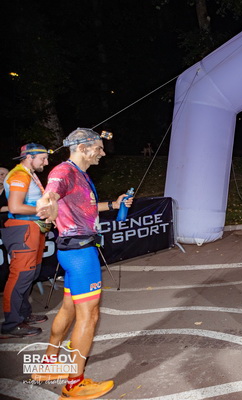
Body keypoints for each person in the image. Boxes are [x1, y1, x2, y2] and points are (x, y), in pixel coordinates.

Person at [35, 128, 133, 399]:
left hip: (73, 251)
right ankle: (74, 384)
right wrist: (46, 205)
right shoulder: (64, 172)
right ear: (82, 148)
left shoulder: (80, 174)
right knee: (89, 316)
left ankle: (48, 364)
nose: (102, 153)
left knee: (68, 308)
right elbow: (51, 194)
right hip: (80, 254)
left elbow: (84, 207)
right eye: (98, 148)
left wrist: (113, 205)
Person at [1, 144, 50, 339]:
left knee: (31, 274)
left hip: (33, 228)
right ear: (30, 157)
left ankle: (23, 314)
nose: (46, 162)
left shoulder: (29, 174)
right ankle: (12, 324)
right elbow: (15, 207)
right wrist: (45, 210)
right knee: (20, 276)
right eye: (43, 158)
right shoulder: (20, 175)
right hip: (22, 229)